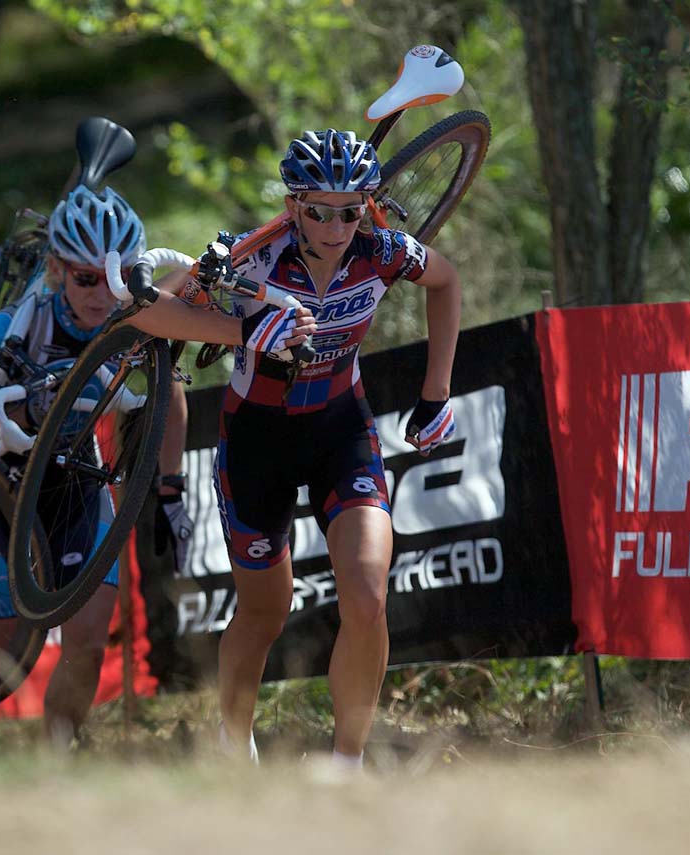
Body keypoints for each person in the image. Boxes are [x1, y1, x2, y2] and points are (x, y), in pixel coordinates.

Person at [130, 128, 462, 768]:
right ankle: (234, 746)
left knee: (366, 595)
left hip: (343, 431)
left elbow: (446, 282)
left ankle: (346, 764)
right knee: (264, 613)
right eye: (317, 210)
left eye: (349, 209)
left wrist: (437, 391)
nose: (335, 226)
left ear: (366, 205)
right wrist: (245, 329)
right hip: (257, 441)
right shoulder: (252, 258)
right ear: (292, 207)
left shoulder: (386, 250)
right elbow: (147, 314)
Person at [0, 184, 195, 773]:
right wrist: (18, 416)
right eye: (85, 278)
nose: (100, 293)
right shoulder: (8, 332)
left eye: (113, 277)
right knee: (4, 643)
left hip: (75, 484)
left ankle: (55, 767)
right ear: (56, 270)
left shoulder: (135, 316)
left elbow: (168, 395)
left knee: (88, 643)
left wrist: (171, 490)